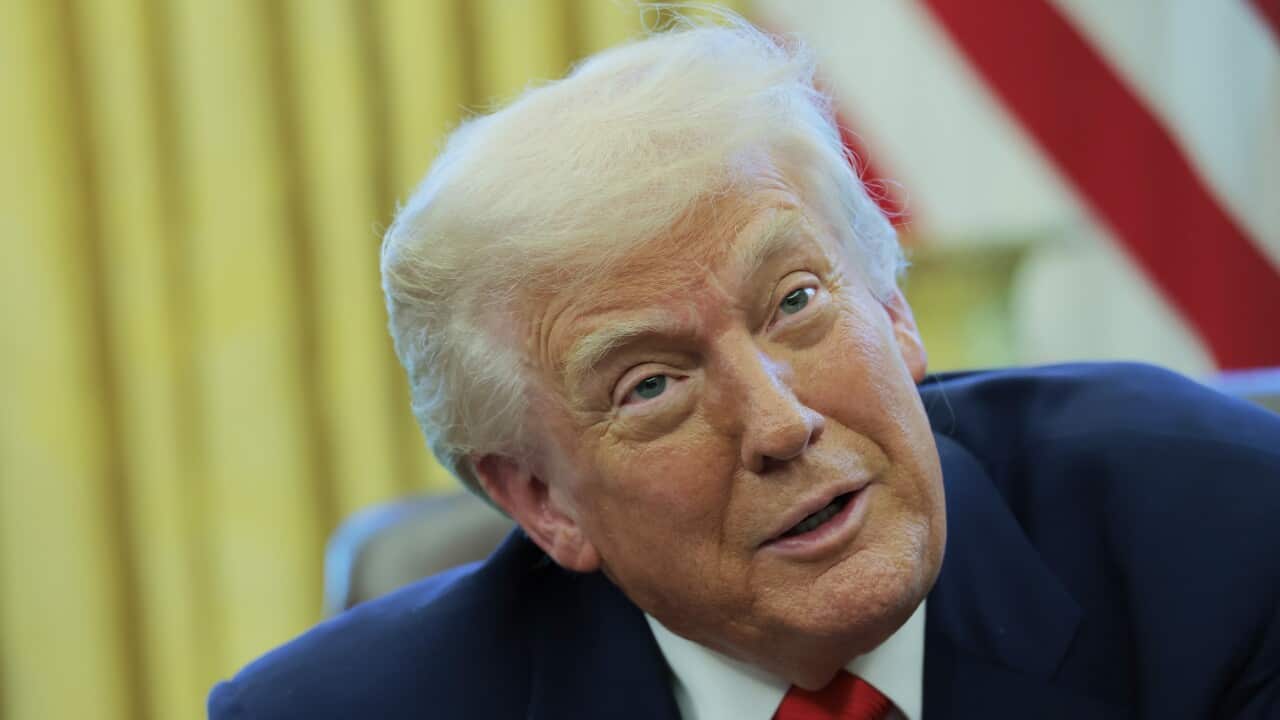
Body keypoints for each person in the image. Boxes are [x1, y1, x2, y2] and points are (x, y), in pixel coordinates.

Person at [207, 17, 1280, 720]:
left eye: (796, 302)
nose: (777, 424)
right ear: (539, 498)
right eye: (650, 386)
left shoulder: (1221, 533)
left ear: (895, 309)